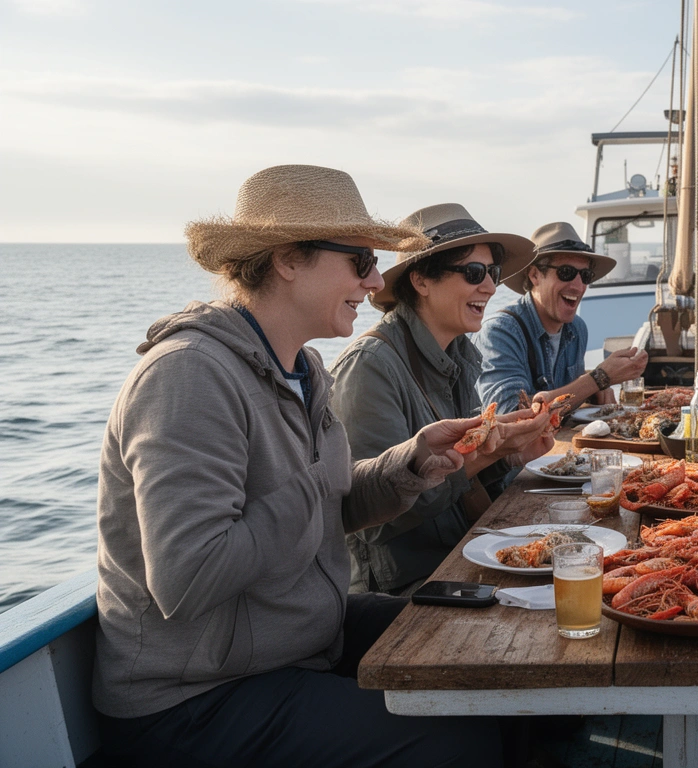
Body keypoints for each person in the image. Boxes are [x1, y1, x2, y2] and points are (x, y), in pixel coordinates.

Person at [93, 165, 505, 767]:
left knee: (482, 645)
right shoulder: (186, 377)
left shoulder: (302, 369)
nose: (373, 280)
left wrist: (410, 461)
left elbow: (329, 507)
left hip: (296, 641)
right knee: (458, 735)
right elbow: (188, 577)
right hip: (192, 698)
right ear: (289, 259)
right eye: (360, 259)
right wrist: (313, 483)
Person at [330, 204, 555, 595]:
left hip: (457, 557)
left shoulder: (458, 355)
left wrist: (512, 454)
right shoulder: (369, 367)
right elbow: (373, 519)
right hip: (404, 589)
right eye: (473, 273)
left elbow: (460, 479)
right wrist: (483, 455)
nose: (490, 287)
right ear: (421, 280)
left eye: (493, 273)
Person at [477, 220, 648, 412]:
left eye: (585, 276)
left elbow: (564, 393)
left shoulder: (577, 329)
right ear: (534, 275)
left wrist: (594, 390)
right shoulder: (500, 332)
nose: (578, 286)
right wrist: (599, 379)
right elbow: (510, 414)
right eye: (566, 273)